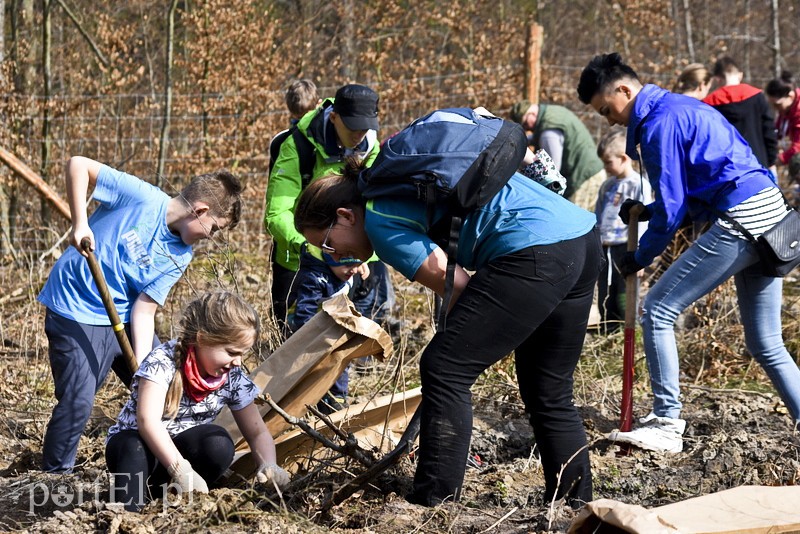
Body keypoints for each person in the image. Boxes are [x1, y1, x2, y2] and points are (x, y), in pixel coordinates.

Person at [293, 140, 603, 508]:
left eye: (327, 243)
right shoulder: (393, 186)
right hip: (580, 236)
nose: (333, 255)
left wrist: (466, 339)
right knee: (549, 391)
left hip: (534, 250)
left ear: (346, 215)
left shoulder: (379, 220)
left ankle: (435, 501)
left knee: (444, 367)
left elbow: (457, 286)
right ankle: (573, 505)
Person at [578, 52, 800, 454]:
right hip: (771, 215)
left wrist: (641, 256)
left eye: (606, 109)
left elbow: (675, 203)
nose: (609, 120)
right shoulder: (683, 108)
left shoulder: (660, 123)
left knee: (658, 309)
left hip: (742, 219)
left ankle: (666, 421)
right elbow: (698, 184)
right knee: (766, 343)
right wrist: (651, 212)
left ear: (625, 91)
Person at [37, 156, 243, 473]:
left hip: (123, 317)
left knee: (168, 383)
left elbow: (144, 310)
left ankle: (174, 456)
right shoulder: (141, 197)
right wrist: (81, 223)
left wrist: (147, 370)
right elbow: (78, 165)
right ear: (200, 211)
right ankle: (54, 477)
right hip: (75, 307)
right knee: (79, 399)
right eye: (213, 229)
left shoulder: (180, 254)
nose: (210, 237)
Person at [105, 291, 290, 511]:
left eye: (243, 353)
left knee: (219, 443)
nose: (238, 362)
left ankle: (178, 497)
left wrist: (268, 464)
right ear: (202, 338)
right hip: (137, 450)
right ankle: (129, 510)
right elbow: (147, 422)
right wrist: (179, 468)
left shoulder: (231, 377)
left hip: (180, 454)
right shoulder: (162, 362)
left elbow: (257, 432)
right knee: (132, 446)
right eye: (231, 352)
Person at [265, 83, 394, 335]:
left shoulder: (371, 148)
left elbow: (373, 206)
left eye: (365, 127)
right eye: (352, 126)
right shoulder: (298, 147)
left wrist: (365, 256)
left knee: (350, 335)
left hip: (355, 260)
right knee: (292, 334)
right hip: (298, 259)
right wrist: (314, 249)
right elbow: (277, 213)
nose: (359, 133)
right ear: (334, 117)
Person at [286, 243, 368, 412]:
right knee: (308, 368)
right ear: (333, 259)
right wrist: (311, 337)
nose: (353, 270)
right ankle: (306, 401)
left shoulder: (345, 272)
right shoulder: (314, 278)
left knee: (340, 359)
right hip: (308, 328)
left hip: (332, 324)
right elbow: (304, 311)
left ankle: (337, 399)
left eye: (356, 265)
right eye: (348, 265)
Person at [594, 127, 652, 332]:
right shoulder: (607, 186)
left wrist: (641, 251)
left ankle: (625, 330)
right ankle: (607, 327)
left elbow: (644, 220)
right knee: (605, 291)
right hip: (606, 245)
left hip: (625, 246)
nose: (607, 168)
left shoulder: (639, 184)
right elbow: (598, 213)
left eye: (609, 162)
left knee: (623, 291)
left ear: (624, 158)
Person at [510, 100, 605, 205]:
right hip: (593, 170)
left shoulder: (548, 132)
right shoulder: (551, 113)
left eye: (525, 123)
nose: (526, 128)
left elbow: (552, 172)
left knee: (574, 218)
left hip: (584, 179)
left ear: (532, 114)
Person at [703, 56, 778, 172]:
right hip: (758, 164)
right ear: (740, 75)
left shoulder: (708, 104)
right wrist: (772, 160)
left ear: (717, 79)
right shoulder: (757, 96)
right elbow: (769, 131)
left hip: (726, 170)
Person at [765, 71, 800, 202]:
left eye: (777, 104)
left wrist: (778, 159)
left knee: (797, 160)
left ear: (790, 96)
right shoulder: (786, 109)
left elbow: (798, 146)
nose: (775, 108)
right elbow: (778, 132)